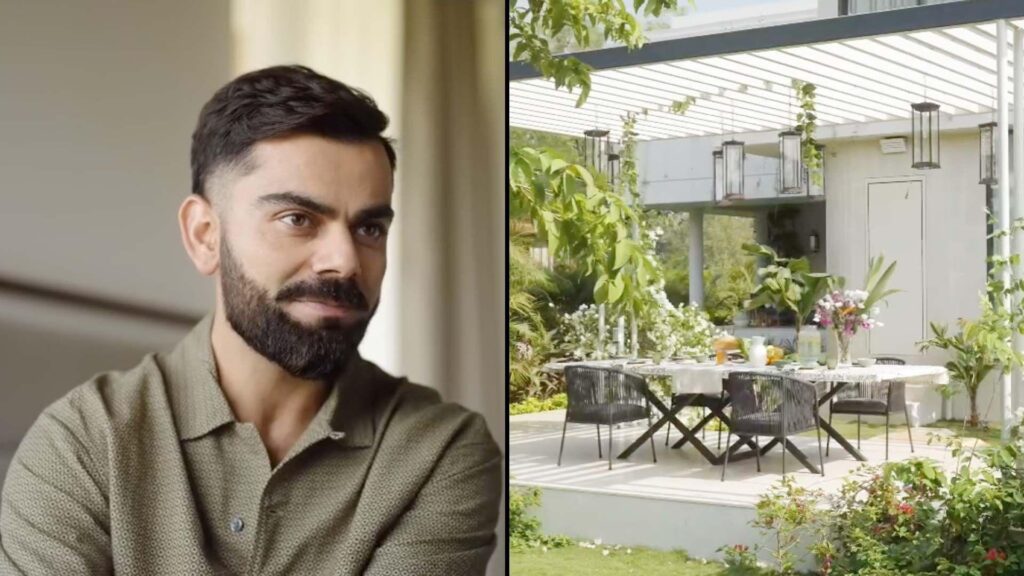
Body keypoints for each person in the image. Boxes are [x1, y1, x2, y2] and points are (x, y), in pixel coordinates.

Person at [0, 65, 502, 576]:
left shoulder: (440, 451)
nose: (345, 261)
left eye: (369, 228)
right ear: (204, 235)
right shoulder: (83, 444)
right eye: (297, 219)